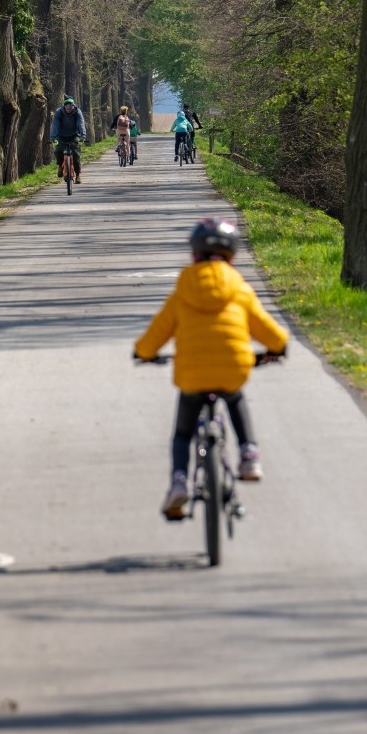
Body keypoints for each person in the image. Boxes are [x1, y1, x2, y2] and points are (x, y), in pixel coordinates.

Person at [134, 217, 289, 518]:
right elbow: (270, 332)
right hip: (233, 367)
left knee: (182, 433)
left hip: (191, 372)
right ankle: (249, 453)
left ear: (195, 254)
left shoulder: (184, 289)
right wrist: (277, 349)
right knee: (234, 396)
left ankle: (179, 482)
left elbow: (157, 333)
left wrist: (143, 353)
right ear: (232, 255)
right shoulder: (240, 289)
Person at [52, 96, 87, 182]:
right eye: (67, 105)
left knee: (76, 154)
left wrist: (83, 136)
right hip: (61, 136)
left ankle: (78, 175)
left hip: (74, 135)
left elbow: (81, 124)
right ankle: (60, 166)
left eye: (71, 105)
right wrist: (53, 137)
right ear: (64, 105)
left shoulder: (77, 112)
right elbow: (55, 125)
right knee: (57, 151)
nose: (69, 107)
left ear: (73, 105)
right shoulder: (58, 112)